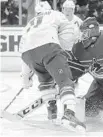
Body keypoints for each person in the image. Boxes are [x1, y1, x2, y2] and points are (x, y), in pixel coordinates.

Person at [19, 0, 86, 132]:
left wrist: (25, 77)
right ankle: (69, 115)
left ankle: (52, 112)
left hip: (27, 55)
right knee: (65, 80)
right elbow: (68, 33)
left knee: (45, 81)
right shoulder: (56, 14)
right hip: (49, 48)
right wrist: (64, 54)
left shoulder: (28, 25)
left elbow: (23, 50)